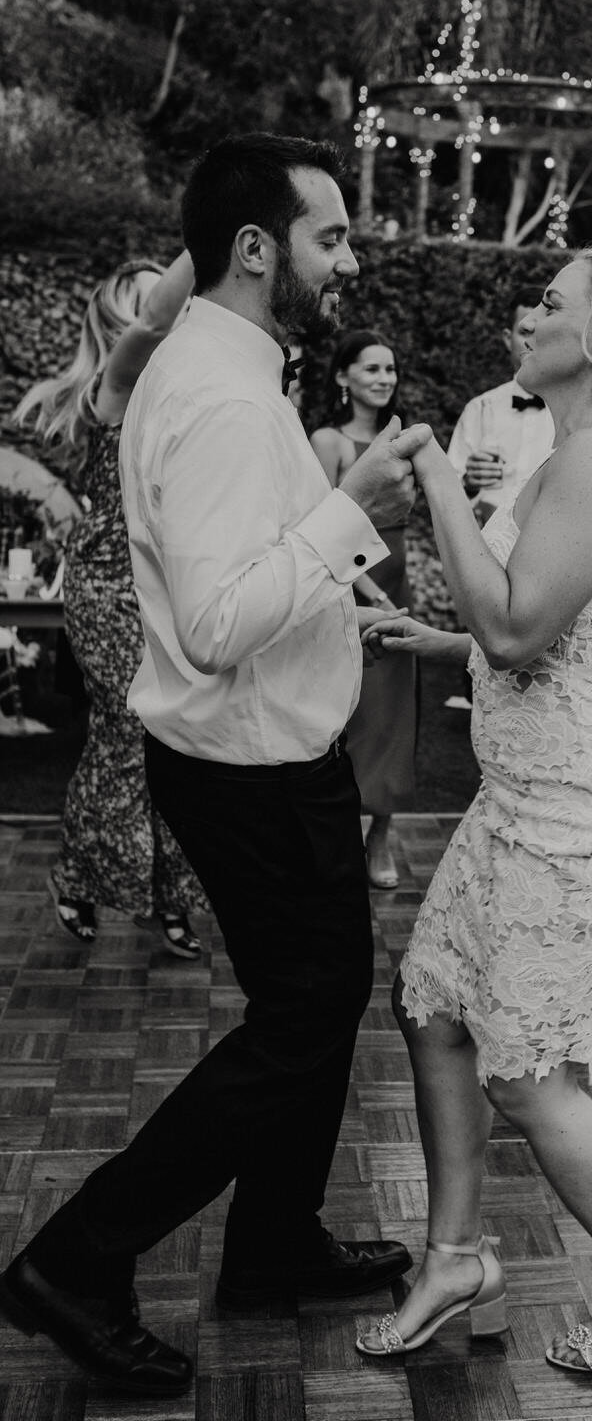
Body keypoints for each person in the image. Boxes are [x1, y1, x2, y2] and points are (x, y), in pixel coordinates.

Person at [0, 133, 430, 1395]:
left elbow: (246, 571)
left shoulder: (218, 371)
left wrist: (347, 585)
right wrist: (361, 513)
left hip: (262, 755)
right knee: (300, 1024)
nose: (348, 258)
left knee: (317, 1003)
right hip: (250, 767)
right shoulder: (224, 398)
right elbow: (217, 620)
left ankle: (274, 1243)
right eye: (330, 235)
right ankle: (79, 1256)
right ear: (258, 248)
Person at [356, 248, 592, 1373]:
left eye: (552, 304)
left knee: (526, 1072)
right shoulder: (577, 453)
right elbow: (551, 636)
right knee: (434, 1006)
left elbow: (517, 630)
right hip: (521, 797)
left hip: (581, 811)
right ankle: (456, 1255)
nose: (529, 315)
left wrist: (428, 478)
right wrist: (436, 639)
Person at [13, 254, 208, 957]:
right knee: (130, 733)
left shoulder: (186, 389)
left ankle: (167, 893)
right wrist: (219, 216)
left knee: (178, 735)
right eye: (147, 298)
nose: (167, 306)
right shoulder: (115, 384)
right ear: (118, 319)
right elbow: (159, 319)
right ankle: (86, 876)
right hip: (110, 583)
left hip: (177, 578)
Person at [310, 327, 416, 888]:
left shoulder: (405, 444)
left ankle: (381, 835)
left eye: (390, 369)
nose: (383, 379)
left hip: (398, 584)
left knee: (391, 720)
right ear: (343, 376)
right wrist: (373, 594)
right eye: (372, 368)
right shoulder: (328, 442)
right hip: (344, 588)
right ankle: (334, 831)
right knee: (347, 717)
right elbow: (320, 527)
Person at [445, 281, 556, 525]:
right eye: (524, 332)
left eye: (542, 333)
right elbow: (447, 496)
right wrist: (469, 483)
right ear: (508, 338)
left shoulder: (569, 410)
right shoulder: (480, 409)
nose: (532, 342)